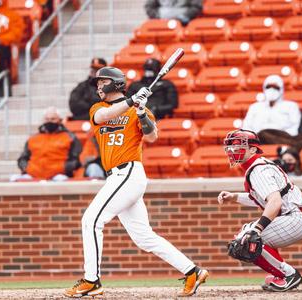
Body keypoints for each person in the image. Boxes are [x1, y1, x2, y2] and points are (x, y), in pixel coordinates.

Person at [64, 67, 208, 298]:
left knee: (90, 220)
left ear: (114, 83)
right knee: (144, 237)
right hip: (118, 177)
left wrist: (141, 112)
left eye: (102, 82)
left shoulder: (138, 109)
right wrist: (132, 101)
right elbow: (103, 118)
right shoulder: (98, 108)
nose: (98, 87)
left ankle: (92, 280)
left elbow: (151, 136)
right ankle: (192, 271)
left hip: (128, 173)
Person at [217, 129, 302, 292]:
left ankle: (288, 275)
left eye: (238, 146)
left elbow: (274, 202)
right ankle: (281, 274)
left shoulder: (258, 169)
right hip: (293, 216)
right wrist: (234, 197)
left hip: (294, 217)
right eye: (230, 147)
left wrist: (257, 228)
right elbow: (261, 199)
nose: (232, 150)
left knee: (247, 239)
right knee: (247, 235)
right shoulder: (256, 166)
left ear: (253, 149)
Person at [13, 107, 82, 182]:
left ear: (59, 120)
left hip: (59, 176)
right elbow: (23, 158)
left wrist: (64, 168)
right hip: (33, 174)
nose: (49, 121)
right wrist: (27, 168)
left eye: (53, 119)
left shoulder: (70, 137)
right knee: (13, 179)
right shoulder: (33, 138)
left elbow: (77, 160)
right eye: (47, 119)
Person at [242, 75, 301, 144]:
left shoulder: (291, 106)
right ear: (264, 88)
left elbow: (295, 128)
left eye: (276, 87)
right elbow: (246, 128)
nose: (272, 90)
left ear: (281, 89)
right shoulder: (255, 107)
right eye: (268, 87)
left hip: (283, 139)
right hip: (258, 140)